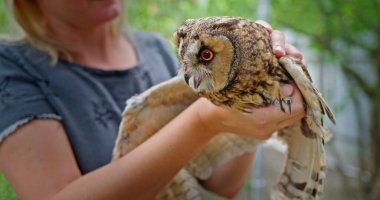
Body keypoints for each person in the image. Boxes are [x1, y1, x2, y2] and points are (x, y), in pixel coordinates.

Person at [0, 0, 306, 199]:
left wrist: (253, 77)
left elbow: (222, 183)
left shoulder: (155, 49)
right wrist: (203, 120)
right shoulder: (11, 67)